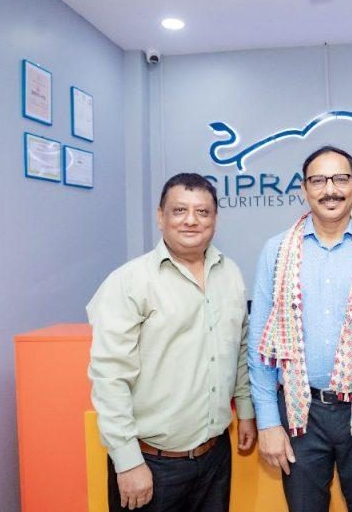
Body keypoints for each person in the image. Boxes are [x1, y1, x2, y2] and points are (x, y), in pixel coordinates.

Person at [248, 146, 352, 512]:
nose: (330, 190)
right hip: (299, 413)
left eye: (340, 179)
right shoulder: (276, 251)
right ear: (304, 188)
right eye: (318, 180)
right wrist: (268, 422)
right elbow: (260, 346)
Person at [87, 173, 257, 512]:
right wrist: (127, 462)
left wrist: (247, 410)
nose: (191, 220)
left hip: (215, 457)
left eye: (202, 212)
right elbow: (110, 377)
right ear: (160, 216)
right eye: (179, 210)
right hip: (151, 463)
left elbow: (240, 348)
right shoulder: (129, 281)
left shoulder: (231, 274)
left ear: (215, 218)